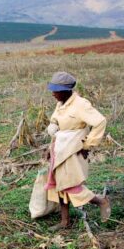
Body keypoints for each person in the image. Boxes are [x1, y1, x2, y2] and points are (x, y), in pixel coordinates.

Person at [44, 71, 110, 231]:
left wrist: (88, 144)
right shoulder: (61, 103)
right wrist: (50, 144)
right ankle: (64, 221)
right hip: (59, 148)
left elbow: (100, 121)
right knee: (60, 184)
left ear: (66, 90)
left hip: (73, 150)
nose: (53, 93)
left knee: (70, 185)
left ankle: (101, 201)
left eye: (56, 90)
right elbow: (57, 120)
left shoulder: (81, 104)